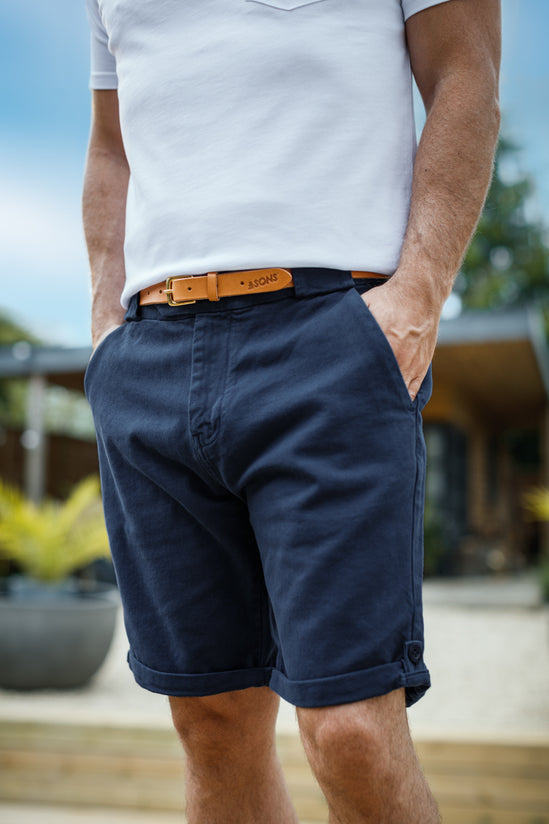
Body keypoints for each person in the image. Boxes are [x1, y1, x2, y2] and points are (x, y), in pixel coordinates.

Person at [82, 1, 500, 821]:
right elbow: (110, 144)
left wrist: (415, 297)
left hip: (328, 340)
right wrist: (106, 330)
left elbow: (467, 76)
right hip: (152, 350)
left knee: (351, 732)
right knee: (212, 724)